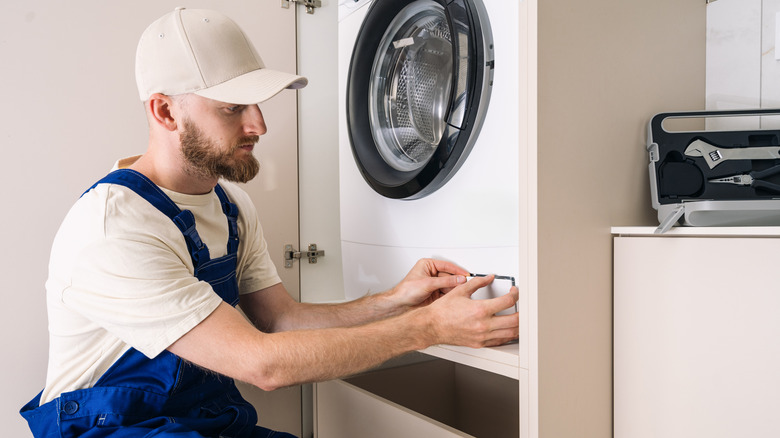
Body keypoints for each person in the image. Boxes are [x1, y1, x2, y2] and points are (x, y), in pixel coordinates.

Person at [20, 7, 519, 438]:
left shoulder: (230, 205)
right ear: (165, 112)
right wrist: (427, 328)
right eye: (232, 108)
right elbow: (262, 363)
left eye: (257, 104)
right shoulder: (115, 228)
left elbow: (280, 320)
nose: (258, 124)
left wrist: (395, 301)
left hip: (200, 421)